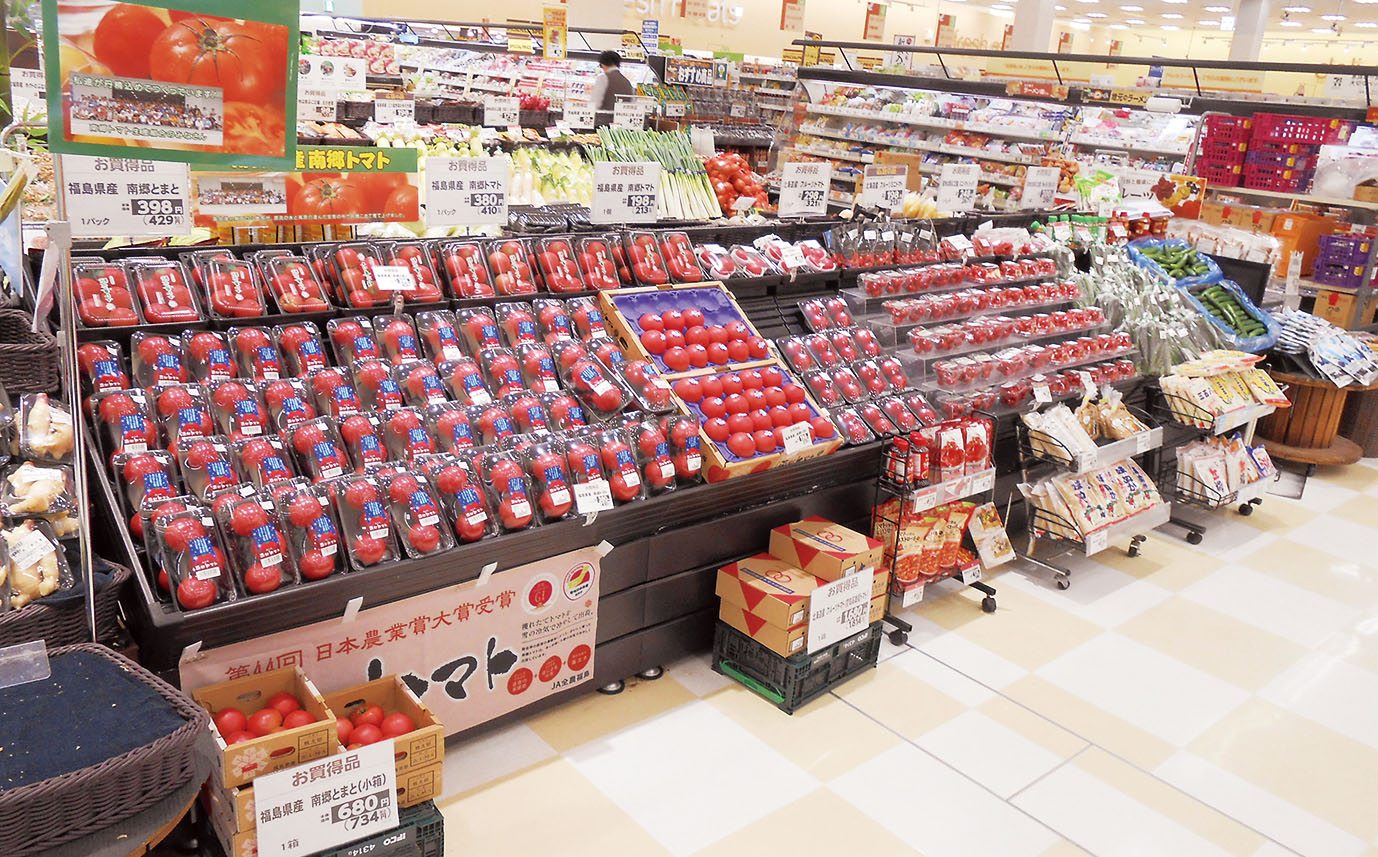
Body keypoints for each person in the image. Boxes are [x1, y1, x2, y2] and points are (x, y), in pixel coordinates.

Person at [591, 49, 635, 128]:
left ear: (602, 64)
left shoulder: (603, 78)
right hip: (623, 124)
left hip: (603, 124)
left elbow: (595, 103)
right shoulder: (627, 82)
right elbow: (632, 104)